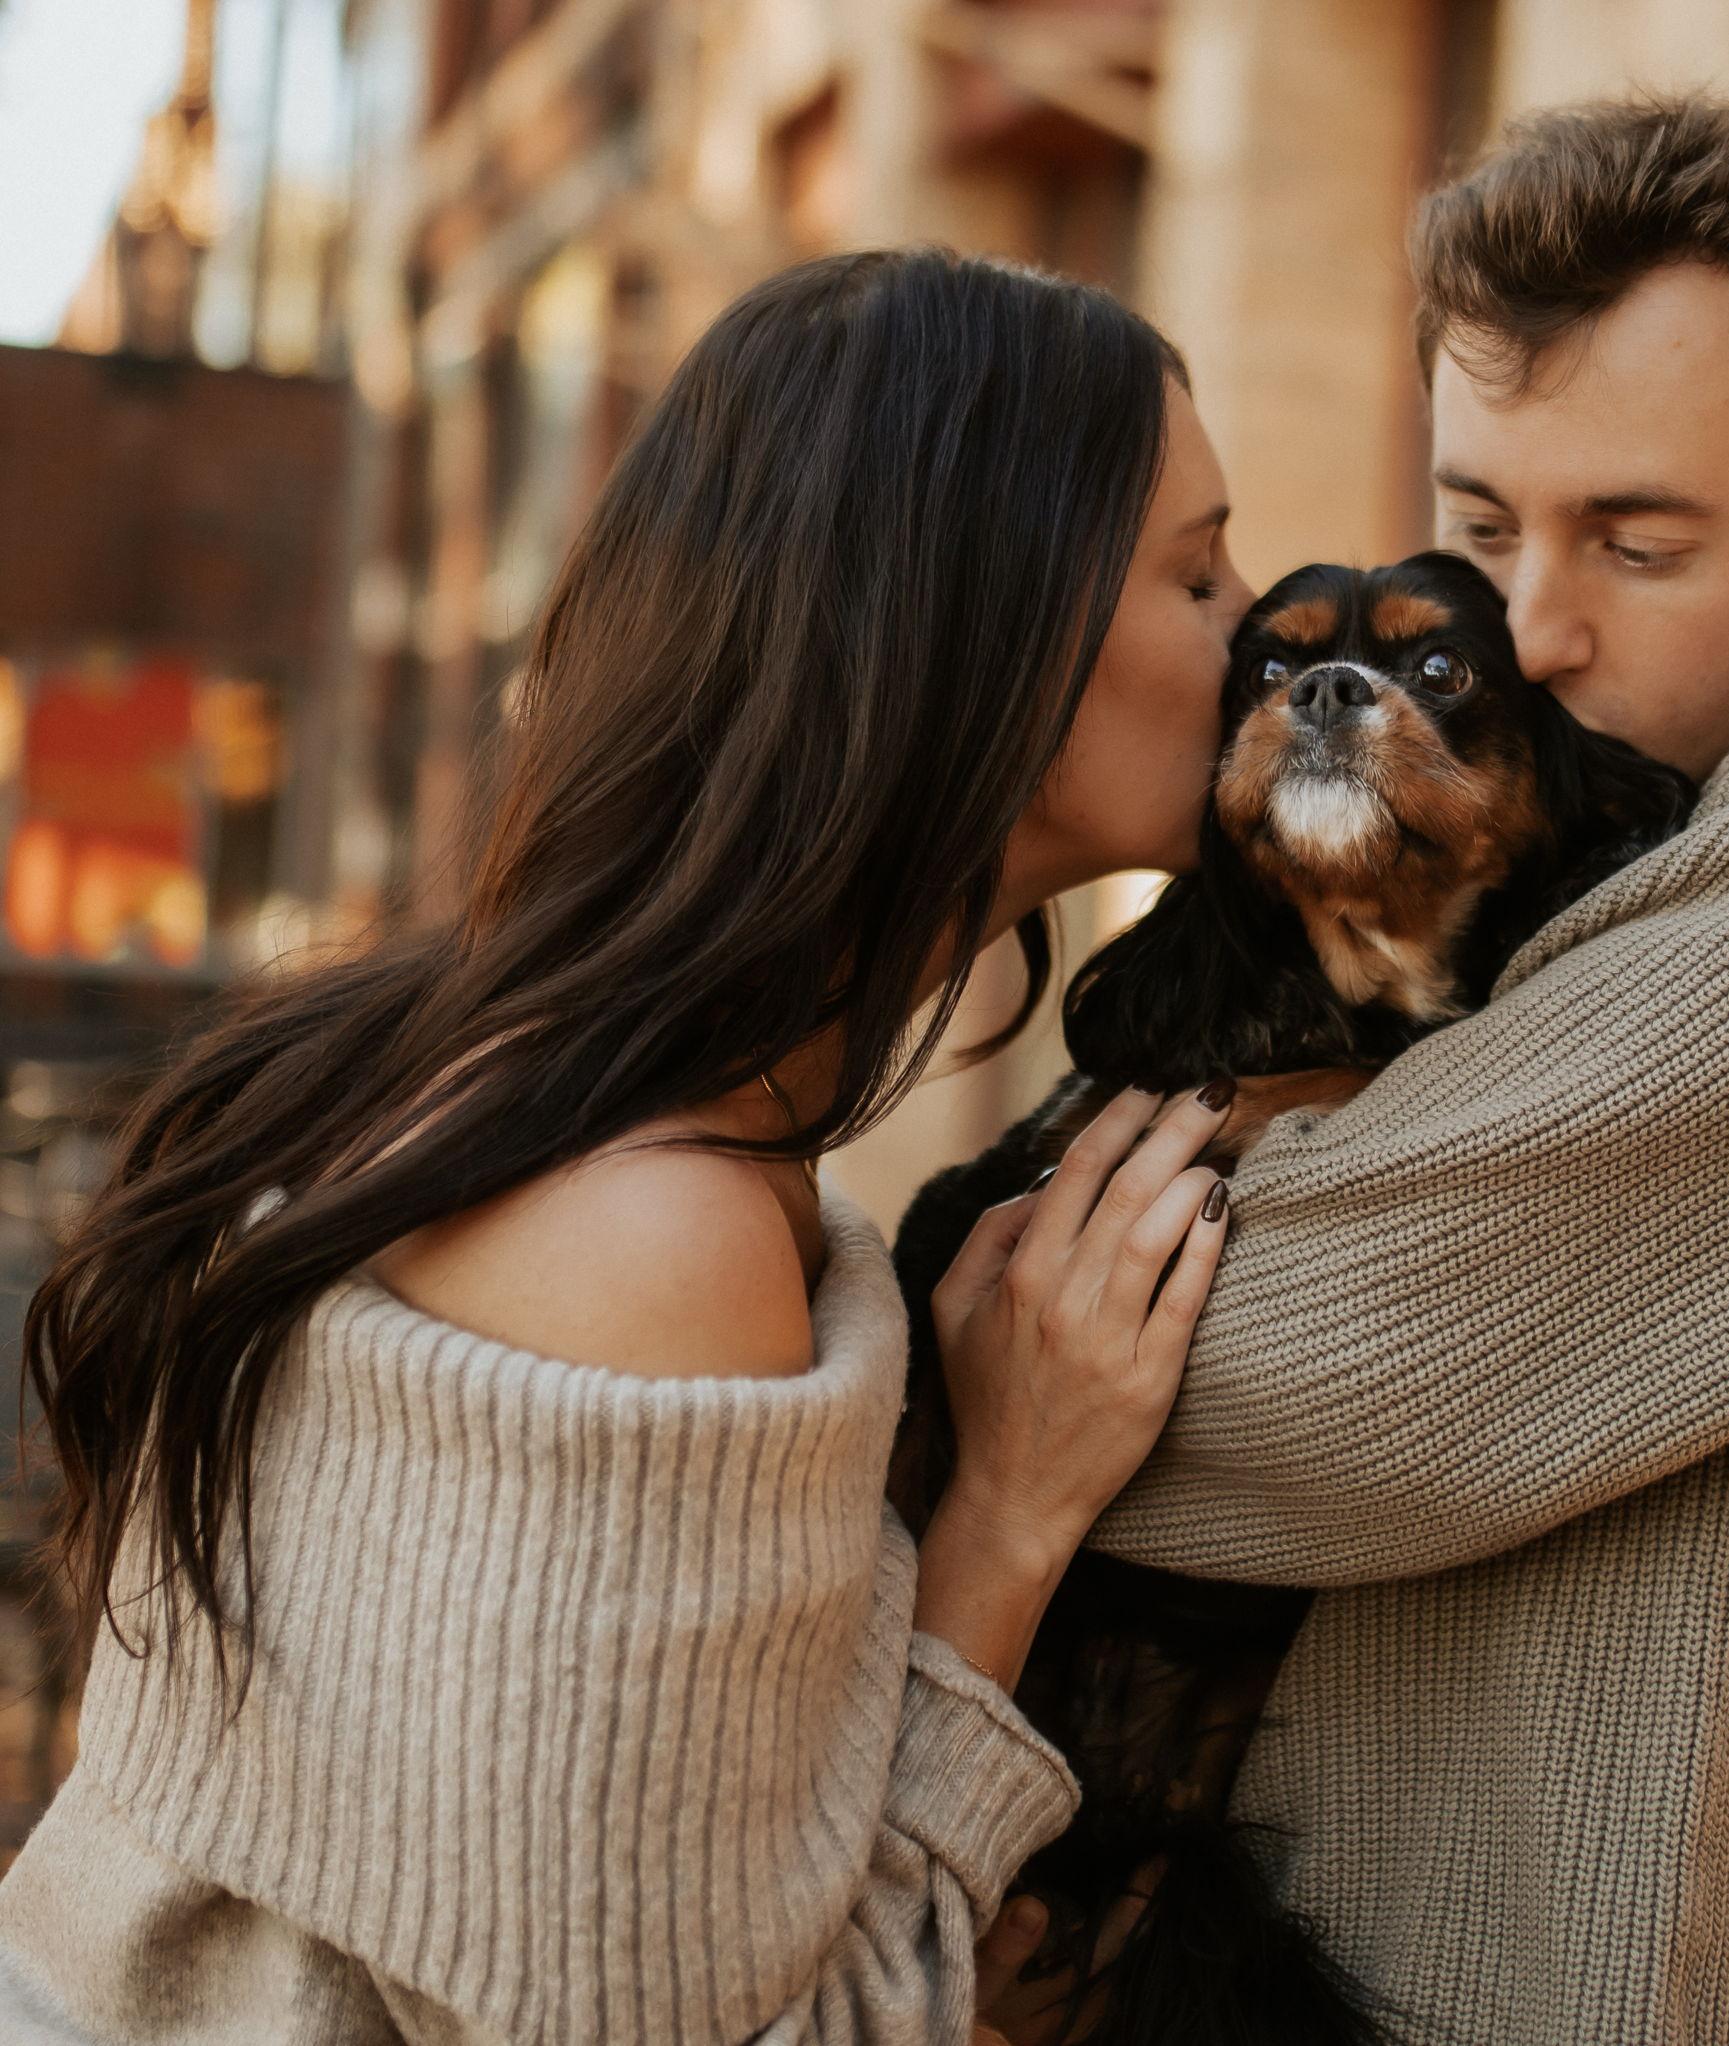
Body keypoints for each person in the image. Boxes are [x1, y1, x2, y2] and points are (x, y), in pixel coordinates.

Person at [0, 247, 1260, 2044]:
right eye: (1195, 570)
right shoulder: (642, 1234)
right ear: (989, 627)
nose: (1260, 622)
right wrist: (1007, 1517)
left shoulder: (565, 1096)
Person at [1078, 95, 1729, 2045]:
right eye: (1483, 527)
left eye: (1637, 538)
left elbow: (1294, 1369)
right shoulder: (1556, 860)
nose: (1524, 634)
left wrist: (1021, 1380)